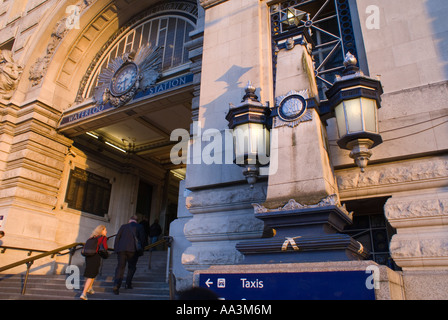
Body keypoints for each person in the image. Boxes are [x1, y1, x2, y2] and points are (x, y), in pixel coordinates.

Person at [113, 215, 147, 295]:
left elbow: (117, 238)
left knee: (120, 267)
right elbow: (142, 239)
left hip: (121, 250)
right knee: (132, 267)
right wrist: (142, 249)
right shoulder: (140, 227)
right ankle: (128, 283)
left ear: (129, 220)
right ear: (136, 220)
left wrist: (116, 249)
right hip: (133, 250)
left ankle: (116, 285)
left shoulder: (123, 226)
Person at [80, 225, 108, 300]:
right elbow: (105, 248)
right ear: (101, 231)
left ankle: (90, 288)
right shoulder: (102, 238)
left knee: (92, 273)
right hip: (95, 257)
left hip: (88, 257)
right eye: (105, 230)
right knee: (91, 275)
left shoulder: (91, 238)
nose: (106, 231)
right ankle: (84, 293)